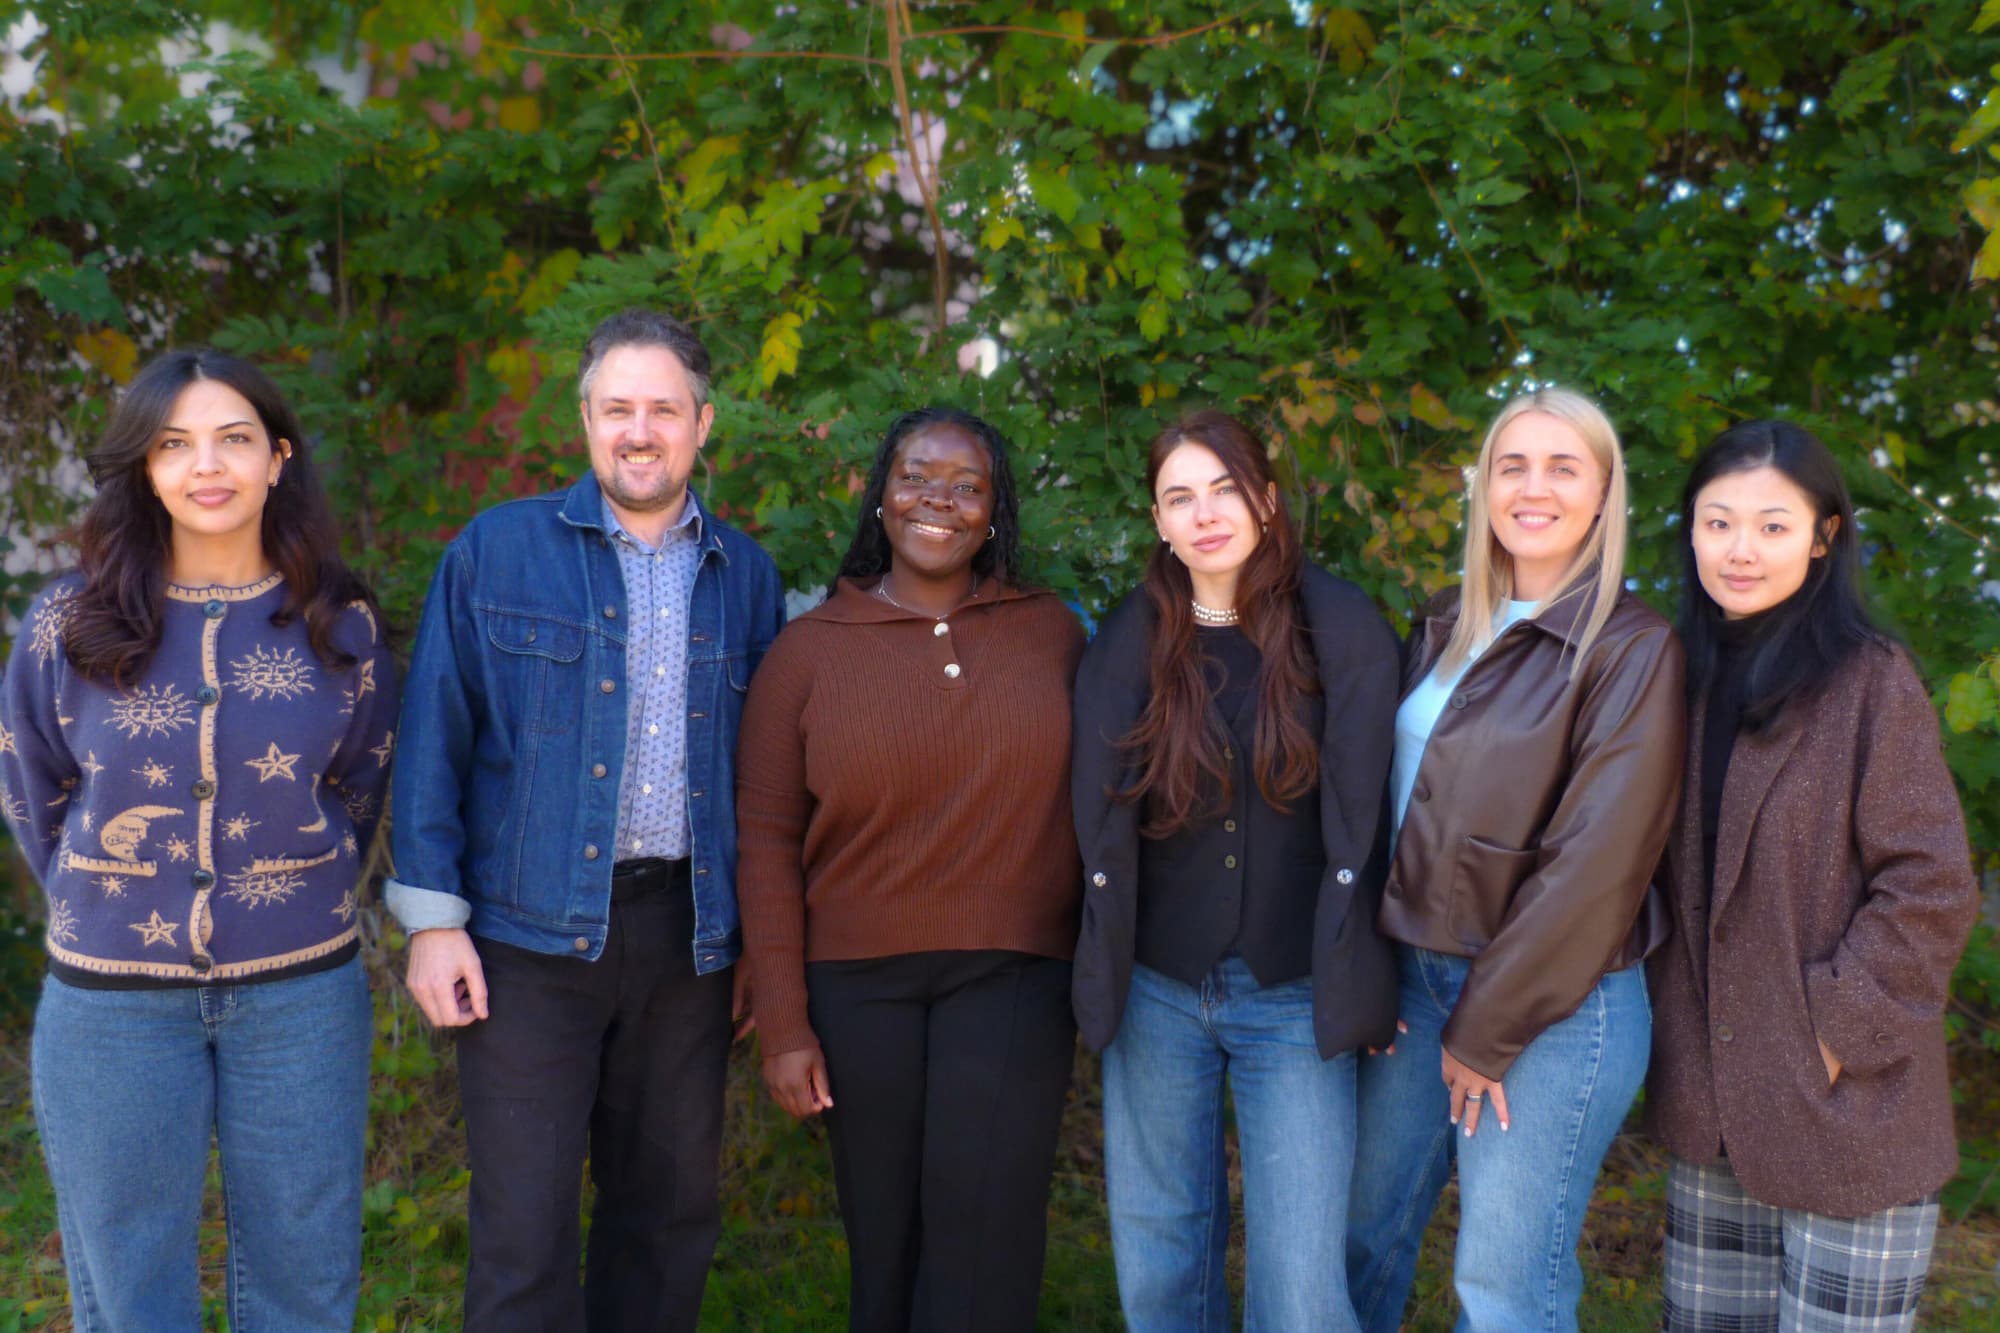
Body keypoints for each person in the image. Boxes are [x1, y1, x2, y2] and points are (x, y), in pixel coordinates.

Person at [385, 308, 786, 1331]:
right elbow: (432, 738)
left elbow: (763, 780)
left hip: (688, 944)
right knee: (523, 1232)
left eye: (663, 410)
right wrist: (432, 922)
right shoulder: (496, 551)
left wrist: (755, 942)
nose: (639, 432)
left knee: (665, 1223)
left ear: (703, 423)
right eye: (617, 409)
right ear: (585, 419)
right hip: (523, 943)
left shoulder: (746, 577)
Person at [1, 349, 397, 1331]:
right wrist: (116, 897)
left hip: (301, 997)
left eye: (233, 438)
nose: (206, 465)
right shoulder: (68, 624)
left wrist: (285, 894)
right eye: (174, 444)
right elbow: (35, 789)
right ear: (145, 467)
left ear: (278, 458)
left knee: (306, 1281)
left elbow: (359, 786)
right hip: (112, 1006)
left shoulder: (340, 626)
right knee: (130, 1289)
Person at [735, 406, 1085, 1333]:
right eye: (917, 477)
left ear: (995, 512)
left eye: (968, 486)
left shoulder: (1051, 633)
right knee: (883, 1241)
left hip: (1014, 973)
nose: (939, 500)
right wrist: (783, 1023)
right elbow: (765, 839)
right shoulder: (807, 652)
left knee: (987, 1240)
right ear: (881, 497)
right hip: (855, 987)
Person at [1345, 386, 1686, 1332]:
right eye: (1513, 466)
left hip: (1552, 1005)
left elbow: (1596, 865)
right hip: (1415, 984)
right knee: (1359, 1243)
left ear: (1605, 492)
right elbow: (1385, 809)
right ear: (1484, 486)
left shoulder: (1632, 646)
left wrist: (1487, 1025)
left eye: (1563, 467)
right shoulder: (1444, 620)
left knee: (1503, 1289)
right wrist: (1369, 965)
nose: (1534, 488)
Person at [1070, 410, 1401, 1331]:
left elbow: (1383, 817)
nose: (1205, 513)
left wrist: (1373, 967)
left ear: (1267, 499)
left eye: (1224, 489)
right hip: (1157, 985)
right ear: (1157, 520)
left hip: (1293, 990)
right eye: (1180, 497)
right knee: (1161, 1260)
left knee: (1299, 1286)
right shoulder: (1126, 642)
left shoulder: (1342, 632)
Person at [1645, 421, 1978, 1332]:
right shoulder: (1675, 675)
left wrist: (1831, 1032)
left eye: (1773, 525)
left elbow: (1931, 883)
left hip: (1848, 1107)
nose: (1740, 550)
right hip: (1714, 1111)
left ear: (1825, 535)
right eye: (1718, 522)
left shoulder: (1870, 680)